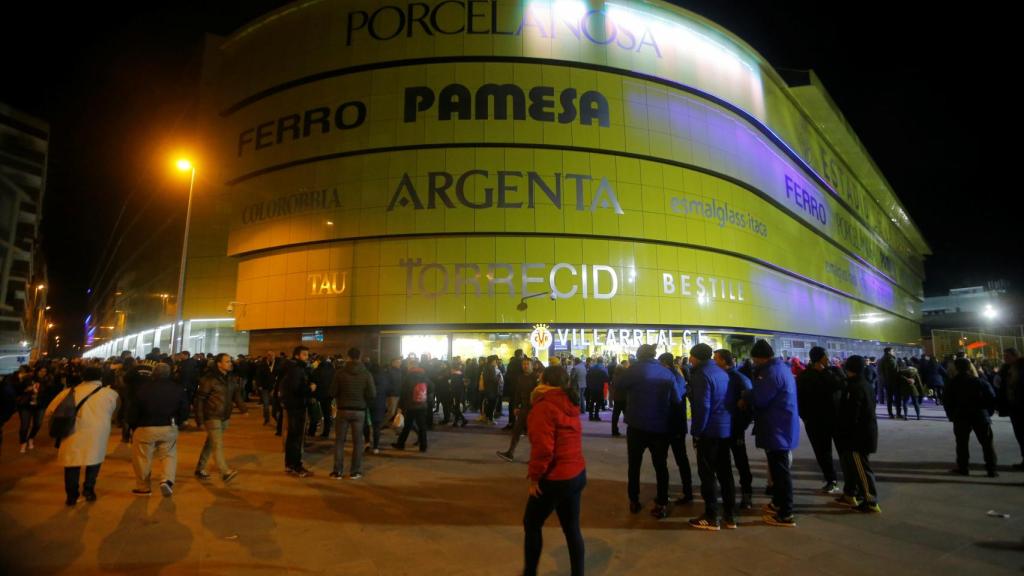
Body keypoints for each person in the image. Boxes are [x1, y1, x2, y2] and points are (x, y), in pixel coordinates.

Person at [523, 365, 586, 576]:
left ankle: (529, 572)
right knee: (571, 528)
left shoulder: (544, 406)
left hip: (555, 476)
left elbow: (543, 449)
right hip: (576, 473)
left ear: (544, 381)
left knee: (531, 523)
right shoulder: (571, 401)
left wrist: (534, 478)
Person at [618, 344, 681, 519]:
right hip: (660, 426)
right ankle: (662, 502)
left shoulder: (633, 370)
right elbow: (676, 399)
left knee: (634, 465)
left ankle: (634, 500)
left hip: (637, 425)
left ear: (638, 355)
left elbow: (619, 386)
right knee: (661, 466)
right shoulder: (666, 372)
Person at [44, 365, 120, 506]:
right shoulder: (111, 394)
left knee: (72, 464)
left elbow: (49, 411)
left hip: (72, 432)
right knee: (94, 461)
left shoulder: (68, 392)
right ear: (100, 377)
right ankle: (89, 491)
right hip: (98, 433)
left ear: (82, 377)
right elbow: (115, 412)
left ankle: (72, 497)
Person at [749, 340, 800, 527]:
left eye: (755, 359)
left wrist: (748, 395)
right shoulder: (781, 368)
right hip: (780, 425)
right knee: (778, 469)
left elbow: (761, 399)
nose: (754, 362)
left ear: (761, 357)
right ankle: (778, 503)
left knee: (780, 472)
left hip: (777, 427)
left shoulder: (770, 372)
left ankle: (786, 513)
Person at [687, 344, 735, 530]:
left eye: (691, 356)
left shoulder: (701, 375)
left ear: (697, 357)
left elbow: (703, 407)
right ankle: (730, 515)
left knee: (707, 474)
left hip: (709, 431)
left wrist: (697, 432)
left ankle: (711, 515)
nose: (689, 360)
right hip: (724, 429)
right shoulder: (721, 373)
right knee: (725, 472)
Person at [127, 362, 190, 497]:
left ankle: (143, 487)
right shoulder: (177, 389)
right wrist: (178, 422)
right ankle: (166, 480)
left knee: (142, 458)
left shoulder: (143, 389)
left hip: (145, 427)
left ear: (154, 373)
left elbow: (133, 410)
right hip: (168, 426)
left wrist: (132, 426)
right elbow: (184, 409)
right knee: (169, 455)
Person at [835, 356, 881, 513]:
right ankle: (851, 493)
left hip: (857, 437)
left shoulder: (855, 388)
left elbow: (852, 414)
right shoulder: (863, 384)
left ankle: (870, 500)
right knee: (855, 466)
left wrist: (844, 430)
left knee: (861, 468)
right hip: (862, 434)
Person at [796, 346, 844, 494]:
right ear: (819, 357)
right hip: (816, 422)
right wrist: (806, 418)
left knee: (843, 452)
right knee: (823, 453)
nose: (828, 358)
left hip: (835, 419)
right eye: (826, 355)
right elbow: (800, 400)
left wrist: (824, 371)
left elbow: (841, 385)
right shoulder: (805, 377)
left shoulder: (833, 372)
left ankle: (849, 482)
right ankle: (831, 480)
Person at [194, 352, 246, 484]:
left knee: (211, 443)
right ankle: (225, 472)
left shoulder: (230, 378)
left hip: (224, 417)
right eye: (227, 361)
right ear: (219, 364)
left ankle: (200, 469)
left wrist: (243, 408)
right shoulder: (209, 379)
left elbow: (236, 395)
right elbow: (199, 400)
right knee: (217, 444)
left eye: (230, 361)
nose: (230, 363)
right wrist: (199, 420)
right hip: (212, 416)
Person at [326, 347, 376, 479]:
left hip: (343, 410)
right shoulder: (366, 374)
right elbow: (372, 394)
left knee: (339, 442)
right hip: (359, 411)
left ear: (348, 357)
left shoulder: (340, 373)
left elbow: (332, 392)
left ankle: (337, 471)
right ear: (360, 357)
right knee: (357, 442)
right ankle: (355, 471)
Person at [945, 357, 998, 477]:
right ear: (969, 367)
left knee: (962, 443)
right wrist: (987, 412)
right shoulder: (978, 381)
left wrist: (952, 415)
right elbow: (991, 397)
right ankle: (991, 469)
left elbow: (947, 401)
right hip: (979, 415)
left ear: (956, 368)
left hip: (961, 416)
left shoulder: (952, 383)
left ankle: (963, 467)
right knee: (987, 443)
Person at [715, 349, 754, 509]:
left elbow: (748, 402)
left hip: (734, 426)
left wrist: (742, 424)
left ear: (724, 361)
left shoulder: (738, 378)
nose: (714, 361)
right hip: (724, 425)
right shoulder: (728, 376)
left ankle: (746, 494)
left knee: (740, 461)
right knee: (726, 462)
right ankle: (729, 493)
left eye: (716, 358)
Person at [660, 352, 693, 505]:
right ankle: (686, 491)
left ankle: (677, 493)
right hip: (676, 424)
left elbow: (675, 399)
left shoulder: (670, 377)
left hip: (670, 423)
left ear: (663, 363)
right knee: (680, 459)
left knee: (665, 459)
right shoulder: (677, 375)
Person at [280, 346, 316, 477]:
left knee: (292, 437)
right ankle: (296, 466)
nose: (307, 357)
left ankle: (290, 464)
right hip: (297, 406)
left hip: (292, 405)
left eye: (307, 355)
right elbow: (297, 389)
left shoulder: (293, 368)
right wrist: (310, 389)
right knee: (296, 438)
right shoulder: (296, 370)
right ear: (297, 356)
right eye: (304, 355)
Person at [497, 357, 539, 461]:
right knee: (516, 431)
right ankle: (510, 453)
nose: (525, 366)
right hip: (524, 408)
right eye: (523, 364)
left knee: (534, 434)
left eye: (527, 364)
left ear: (532, 365)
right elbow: (517, 393)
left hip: (534, 409)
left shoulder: (536, 378)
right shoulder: (520, 377)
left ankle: (536, 457)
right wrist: (516, 406)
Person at [393, 357, 431, 452]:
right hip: (422, 404)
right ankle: (423, 446)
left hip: (411, 405)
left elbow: (404, 392)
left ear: (411, 366)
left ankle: (400, 444)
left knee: (407, 425)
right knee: (422, 426)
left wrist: (400, 406)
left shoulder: (408, 377)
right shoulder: (424, 375)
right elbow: (432, 386)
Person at [14, 366, 42, 453]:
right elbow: (16, 391)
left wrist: (39, 389)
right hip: (25, 405)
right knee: (24, 425)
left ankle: (31, 438)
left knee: (37, 424)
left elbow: (49, 390)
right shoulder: (18, 379)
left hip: (38, 404)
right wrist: (26, 389)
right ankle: (23, 443)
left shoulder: (40, 379)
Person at [311, 355, 336, 438]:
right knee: (327, 414)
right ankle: (326, 432)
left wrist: (314, 395)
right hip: (330, 395)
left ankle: (314, 431)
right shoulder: (333, 370)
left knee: (317, 413)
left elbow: (314, 382)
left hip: (320, 395)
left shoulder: (317, 370)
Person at [879, 348, 901, 418]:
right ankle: (898, 413)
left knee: (889, 399)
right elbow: (894, 371)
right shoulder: (890, 359)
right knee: (897, 398)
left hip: (886, 382)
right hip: (893, 381)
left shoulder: (882, 359)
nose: (894, 352)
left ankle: (890, 414)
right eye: (893, 351)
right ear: (889, 352)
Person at [586, 358, 609, 424]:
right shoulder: (603, 368)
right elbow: (606, 379)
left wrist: (589, 385)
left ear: (597, 361)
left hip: (591, 387)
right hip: (599, 387)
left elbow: (587, 377)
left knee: (592, 401)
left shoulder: (592, 368)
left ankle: (590, 416)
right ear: (602, 361)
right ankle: (596, 415)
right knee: (598, 402)